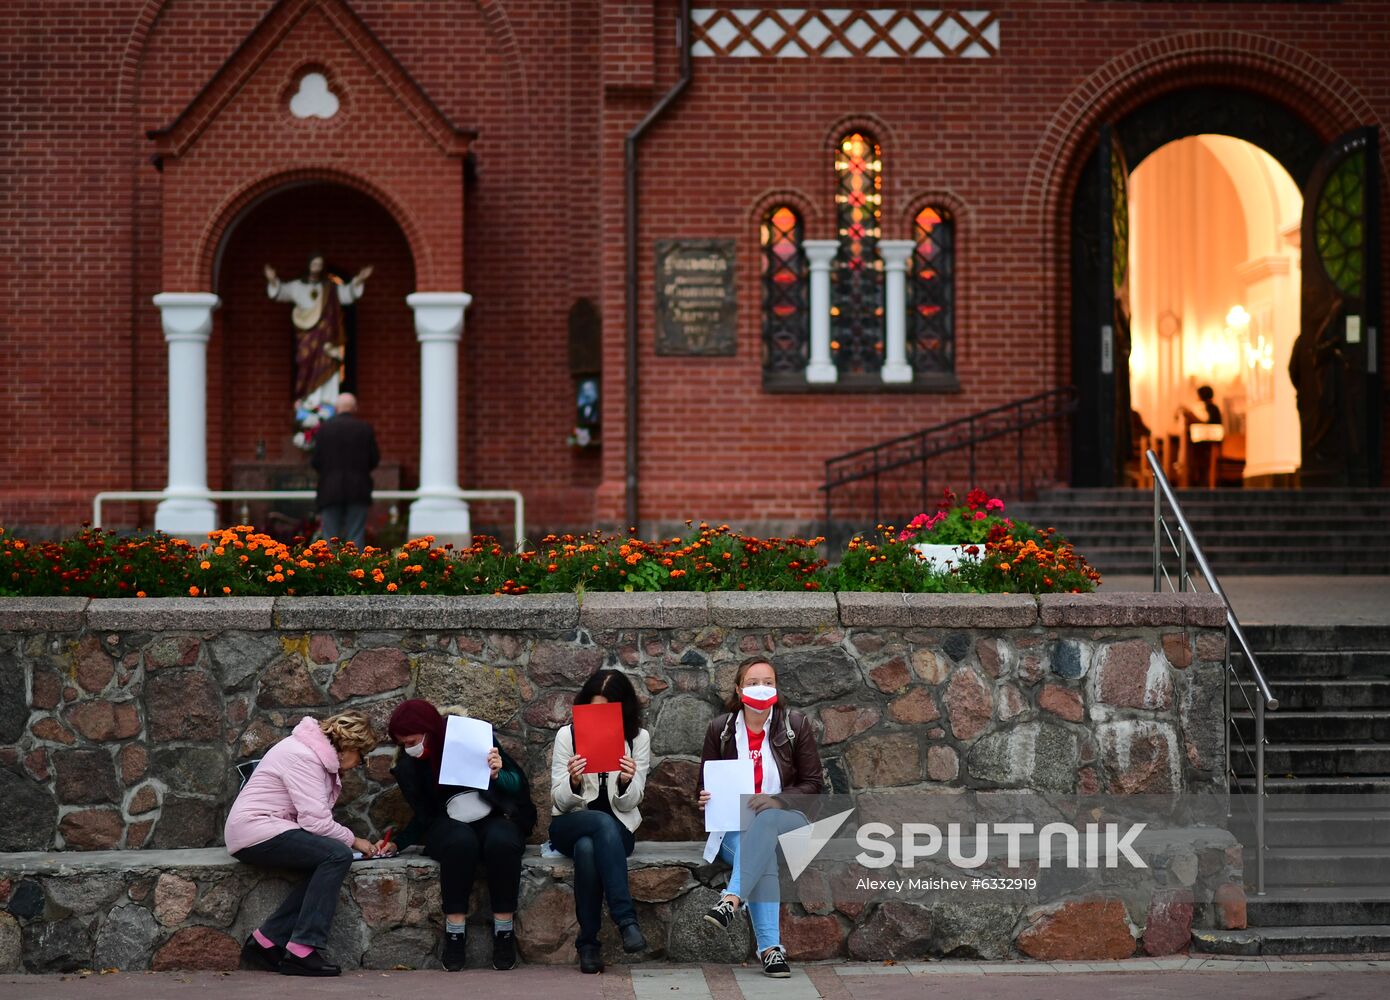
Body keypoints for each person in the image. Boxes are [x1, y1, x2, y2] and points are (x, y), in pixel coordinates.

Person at [224, 712, 384, 977]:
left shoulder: (310, 753)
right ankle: (302, 948)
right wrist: (356, 841)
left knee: (326, 861)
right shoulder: (304, 756)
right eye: (362, 756)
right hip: (256, 830)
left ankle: (267, 942)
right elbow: (316, 822)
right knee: (337, 855)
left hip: (263, 829)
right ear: (349, 747)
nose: (359, 764)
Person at [697, 657, 826, 979]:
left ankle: (732, 898)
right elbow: (704, 783)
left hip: (789, 823)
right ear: (740, 690)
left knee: (766, 823)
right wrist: (704, 798)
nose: (761, 688)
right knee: (759, 851)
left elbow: (814, 786)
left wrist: (777, 800)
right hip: (735, 829)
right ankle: (771, 952)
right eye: (753, 682)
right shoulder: (721, 730)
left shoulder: (794, 725)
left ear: (777, 688)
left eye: (768, 682)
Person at [386, 699, 537, 972]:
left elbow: (516, 784)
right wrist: (398, 842)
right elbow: (423, 815)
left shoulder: (470, 738)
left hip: (493, 814)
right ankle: (455, 933)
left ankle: (504, 932)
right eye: (403, 743)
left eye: (412, 740)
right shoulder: (410, 766)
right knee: (460, 843)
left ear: (428, 730)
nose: (409, 748)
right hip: (447, 823)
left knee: (503, 842)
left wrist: (496, 773)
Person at [549, 670, 651, 973]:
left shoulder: (638, 739)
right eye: (592, 709)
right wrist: (575, 781)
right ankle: (626, 921)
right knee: (595, 827)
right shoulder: (568, 735)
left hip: (618, 830)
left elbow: (632, 802)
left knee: (588, 848)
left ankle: (589, 943)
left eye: (607, 711)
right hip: (571, 822)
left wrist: (624, 782)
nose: (598, 717)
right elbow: (558, 800)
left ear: (623, 710)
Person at [265, 254, 372, 411]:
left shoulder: (329, 288)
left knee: (328, 365)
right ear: (308, 265)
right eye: (314, 263)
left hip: (326, 338)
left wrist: (359, 280)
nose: (316, 267)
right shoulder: (297, 287)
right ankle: (309, 403)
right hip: (307, 338)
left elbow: (347, 294)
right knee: (306, 366)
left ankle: (327, 402)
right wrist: (273, 280)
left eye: (320, 264)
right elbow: (281, 292)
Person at [310, 392, 379, 549]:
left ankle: (331, 572)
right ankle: (356, 572)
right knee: (355, 536)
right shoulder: (365, 429)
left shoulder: (324, 429)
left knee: (331, 538)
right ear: (354, 408)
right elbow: (374, 459)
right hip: (358, 489)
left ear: (336, 408)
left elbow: (316, 461)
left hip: (330, 489)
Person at [1180, 385, 1223, 487]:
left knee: (1202, 461)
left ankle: (1201, 480)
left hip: (1209, 442)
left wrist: (1191, 416)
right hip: (1203, 442)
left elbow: (1208, 423)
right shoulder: (1208, 407)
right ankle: (1197, 478)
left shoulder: (1211, 408)